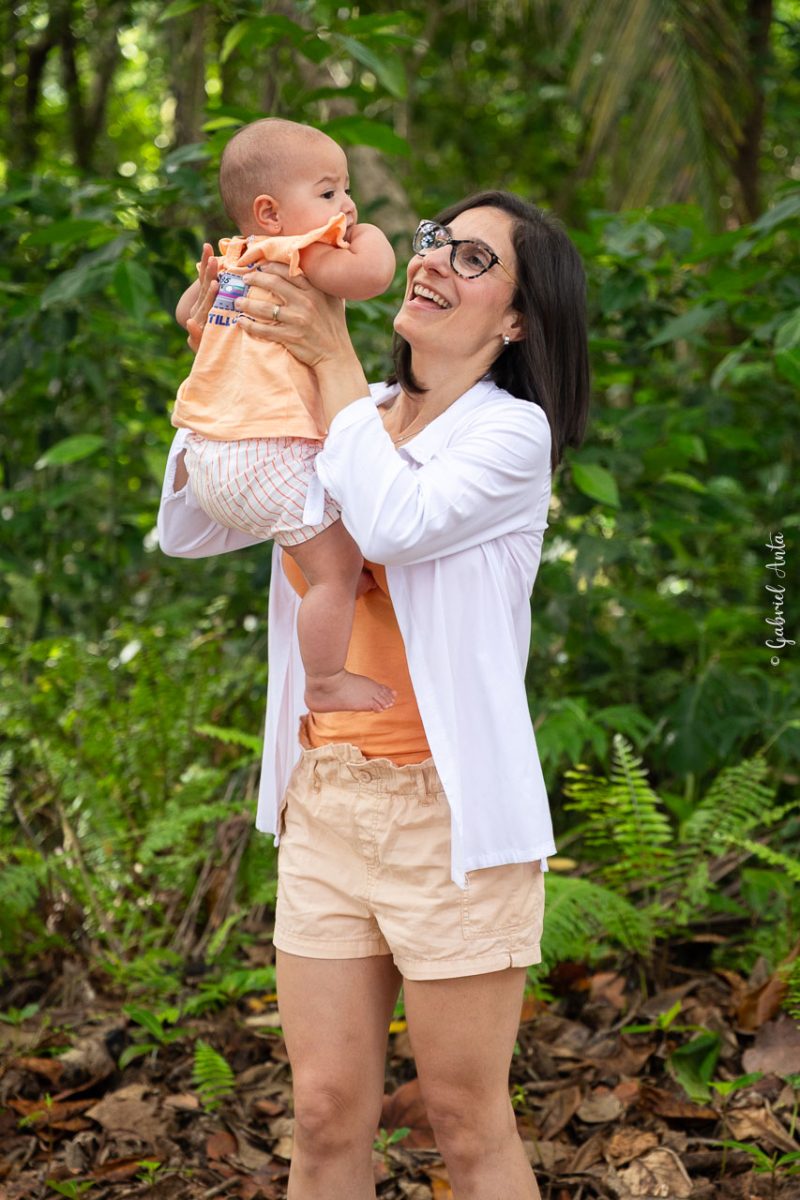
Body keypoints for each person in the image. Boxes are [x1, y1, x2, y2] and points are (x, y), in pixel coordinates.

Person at [158, 189, 590, 1200]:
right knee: (321, 1114)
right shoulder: (340, 417)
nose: (432, 261)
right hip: (327, 800)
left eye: (473, 260)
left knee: (463, 1121)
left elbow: (393, 523)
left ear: (519, 319)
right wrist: (223, 362)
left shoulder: (509, 438)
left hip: (449, 822)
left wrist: (329, 363)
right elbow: (192, 524)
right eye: (434, 242)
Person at [172, 118, 397, 714]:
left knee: (339, 536)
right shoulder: (299, 253)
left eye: (346, 190)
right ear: (270, 214)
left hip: (206, 455)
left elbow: (184, 313)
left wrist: (203, 295)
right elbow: (373, 276)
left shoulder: (237, 258)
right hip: (266, 451)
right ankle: (324, 681)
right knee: (338, 569)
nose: (346, 206)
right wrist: (371, 233)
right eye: (329, 193)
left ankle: (349, 574)